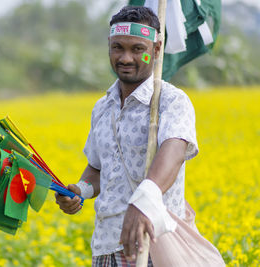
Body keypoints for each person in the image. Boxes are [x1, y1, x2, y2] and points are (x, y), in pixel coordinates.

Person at [55, 6, 200, 267]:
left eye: (137, 49)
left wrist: (144, 199)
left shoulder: (171, 100)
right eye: (117, 47)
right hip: (106, 245)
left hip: (153, 245)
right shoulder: (102, 107)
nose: (125, 58)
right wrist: (82, 190)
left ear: (155, 51)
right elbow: (98, 167)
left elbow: (175, 150)